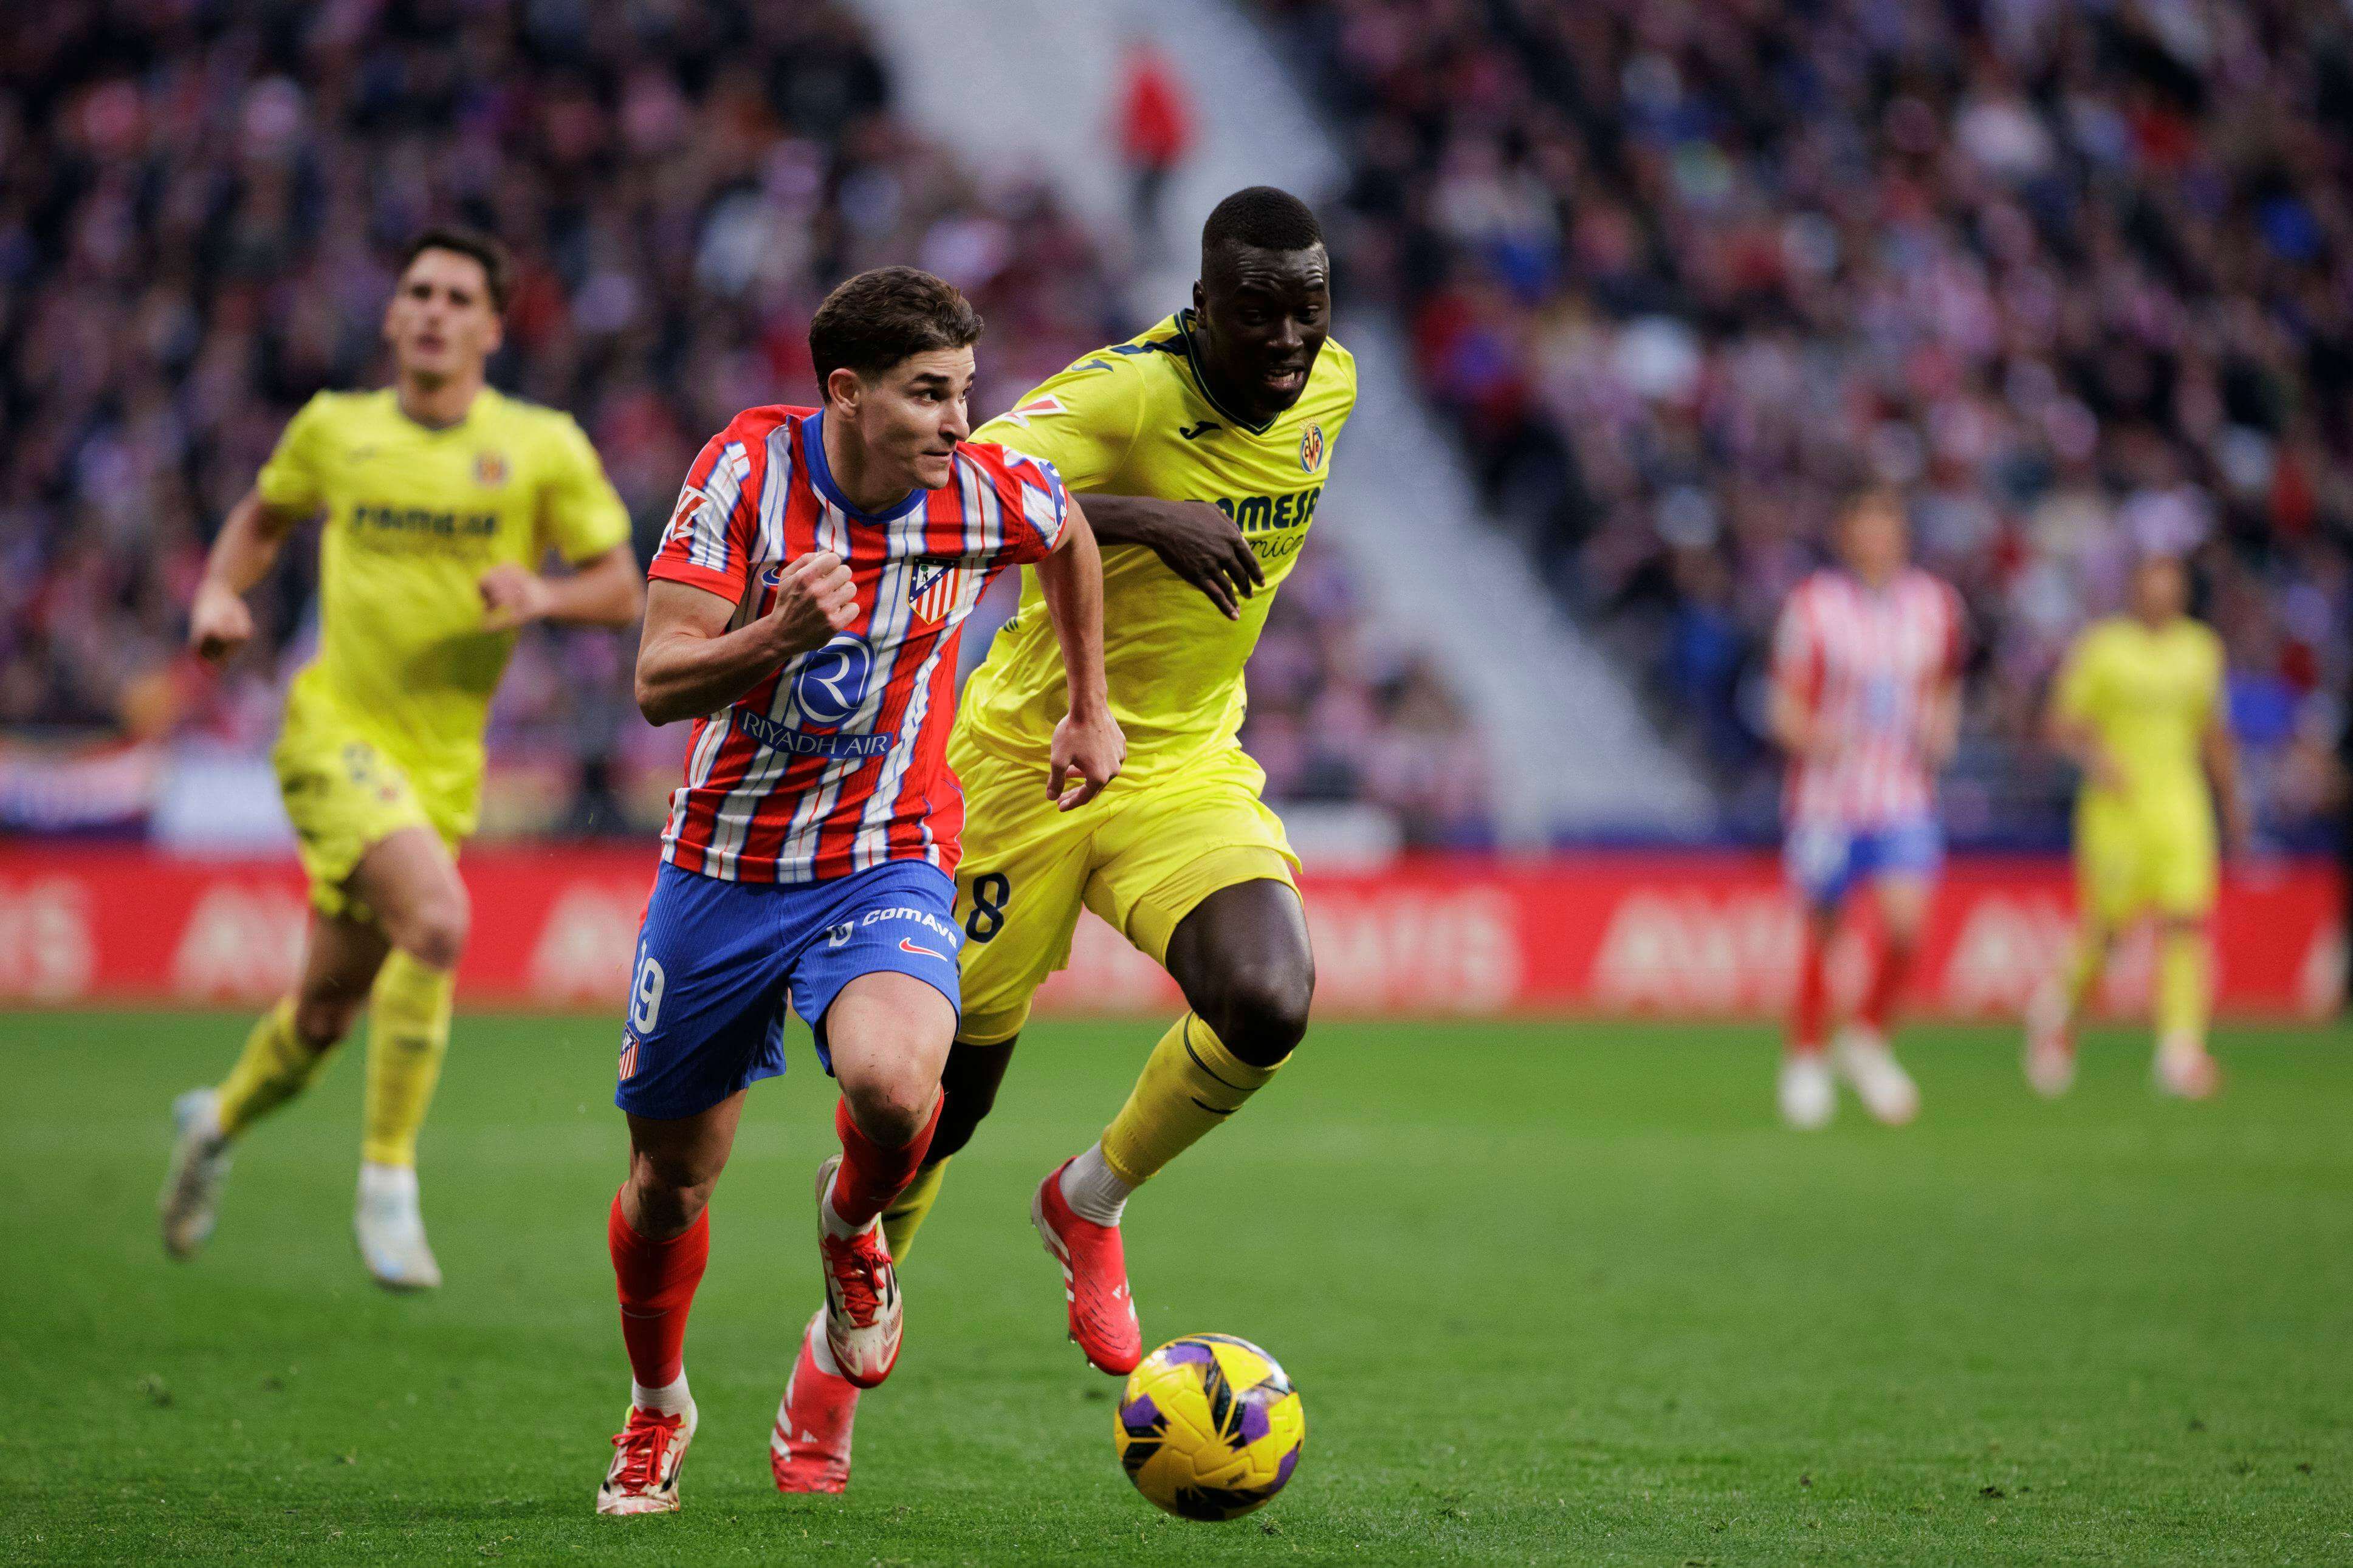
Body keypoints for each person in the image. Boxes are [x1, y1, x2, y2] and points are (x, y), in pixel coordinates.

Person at [772, 186, 1355, 1493]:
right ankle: (832, 1357)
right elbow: (961, 482)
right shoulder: (1120, 398)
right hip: (1021, 767)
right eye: (1257, 311)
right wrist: (1141, 517)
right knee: (931, 1111)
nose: (1287, 339)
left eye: (1308, 309)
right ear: (1200, 307)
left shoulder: (1335, 393)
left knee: (1268, 999)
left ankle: (1088, 1198)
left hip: (1183, 763)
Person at [593, 265, 1121, 1517]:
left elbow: (1071, 534)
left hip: (883, 855)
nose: (958, 420)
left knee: (896, 1090)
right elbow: (659, 684)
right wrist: (774, 637)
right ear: (848, 392)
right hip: (721, 867)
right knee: (671, 1182)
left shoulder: (979, 488)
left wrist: (1087, 708)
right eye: (930, 394)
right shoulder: (745, 477)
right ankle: (658, 1406)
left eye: (965, 392)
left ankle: (850, 1229)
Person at [160, 227, 643, 1289]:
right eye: (416, 292)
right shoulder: (336, 428)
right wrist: (217, 592)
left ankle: (215, 1122)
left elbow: (622, 586)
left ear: (491, 326)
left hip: (443, 764)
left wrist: (546, 593)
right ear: (392, 316)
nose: (431, 309)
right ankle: (387, 1181)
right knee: (437, 918)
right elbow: (263, 515)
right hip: (333, 731)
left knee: (326, 1012)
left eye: (456, 296)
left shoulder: (541, 445)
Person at [1768, 489, 1963, 1131]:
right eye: (1866, 528)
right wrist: (1814, 737)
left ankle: (1867, 1035)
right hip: (1825, 797)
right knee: (1824, 929)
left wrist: (1942, 731)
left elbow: (1944, 686)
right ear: (1845, 534)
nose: (1877, 540)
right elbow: (1783, 705)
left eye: (1888, 527)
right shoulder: (1813, 607)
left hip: (1901, 791)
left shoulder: (1934, 605)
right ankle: (1804, 1055)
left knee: (1906, 925)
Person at [2025, 551, 2245, 1099]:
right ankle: (2058, 1017)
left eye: (2170, 585)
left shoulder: (2201, 649)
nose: (2161, 595)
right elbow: (2060, 721)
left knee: (2185, 923)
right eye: (2151, 584)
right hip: (2116, 810)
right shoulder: (2103, 648)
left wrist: (2232, 802)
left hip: (2180, 805)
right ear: (2134, 590)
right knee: (2108, 929)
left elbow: (2212, 732)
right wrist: (2097, 758)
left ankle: (2180, 1052)